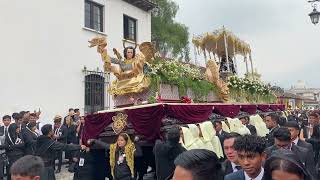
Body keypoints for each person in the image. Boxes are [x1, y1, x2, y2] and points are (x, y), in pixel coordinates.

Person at [0, 115, 11, 180]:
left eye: (8, 120)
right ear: (3, 121)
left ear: (10, 120)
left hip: (10, 150)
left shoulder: (12, 128)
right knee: (1, 166)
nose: (6, 121)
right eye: (5, 120)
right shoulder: (0, 128)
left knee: (8, 166)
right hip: (1, 151)